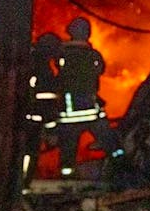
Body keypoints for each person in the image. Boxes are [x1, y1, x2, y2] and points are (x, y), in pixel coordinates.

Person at [54, 16, 124, 177]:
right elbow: (100, 70)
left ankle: (66, 177)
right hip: (91, 110)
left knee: (68, 149)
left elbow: (59, 69)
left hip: (69, 113)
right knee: (109, 140)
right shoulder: (94, 56)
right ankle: (121, 165)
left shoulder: (63, 54)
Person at [19, 32, 62, 192]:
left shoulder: (28, 59)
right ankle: (22, 185)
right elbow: (46, 101)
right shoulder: (43, 69)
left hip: (21, 118)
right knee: (29, 153)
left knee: (20, 152)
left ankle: (19, 184)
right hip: (32, 121)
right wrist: (52, 131)